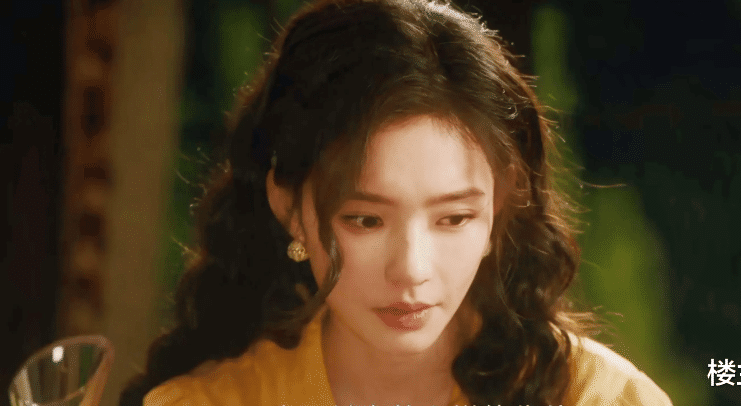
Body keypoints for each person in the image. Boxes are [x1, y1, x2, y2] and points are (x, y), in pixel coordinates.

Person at [119, 0, 673, 405]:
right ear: (289, 208)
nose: (411, 269)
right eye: (365, 220)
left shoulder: (598, 397)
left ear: (500, 210)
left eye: (454, 218)